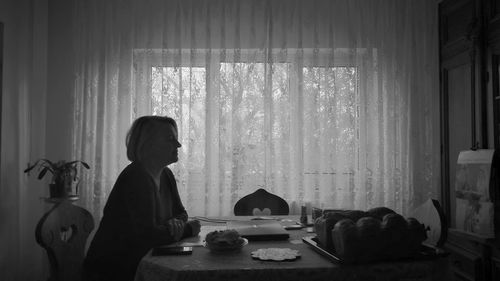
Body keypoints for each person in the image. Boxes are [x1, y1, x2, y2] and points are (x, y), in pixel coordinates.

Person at [84, 116, 201, 281]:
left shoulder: (166, 174)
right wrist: (188, 229)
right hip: (115, 270)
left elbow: (181, 213)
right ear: (148, 144)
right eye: (170, 139)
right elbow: (148, 237)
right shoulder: (136, 178)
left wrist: (174, 224)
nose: (178, 145)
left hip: (140, 261)